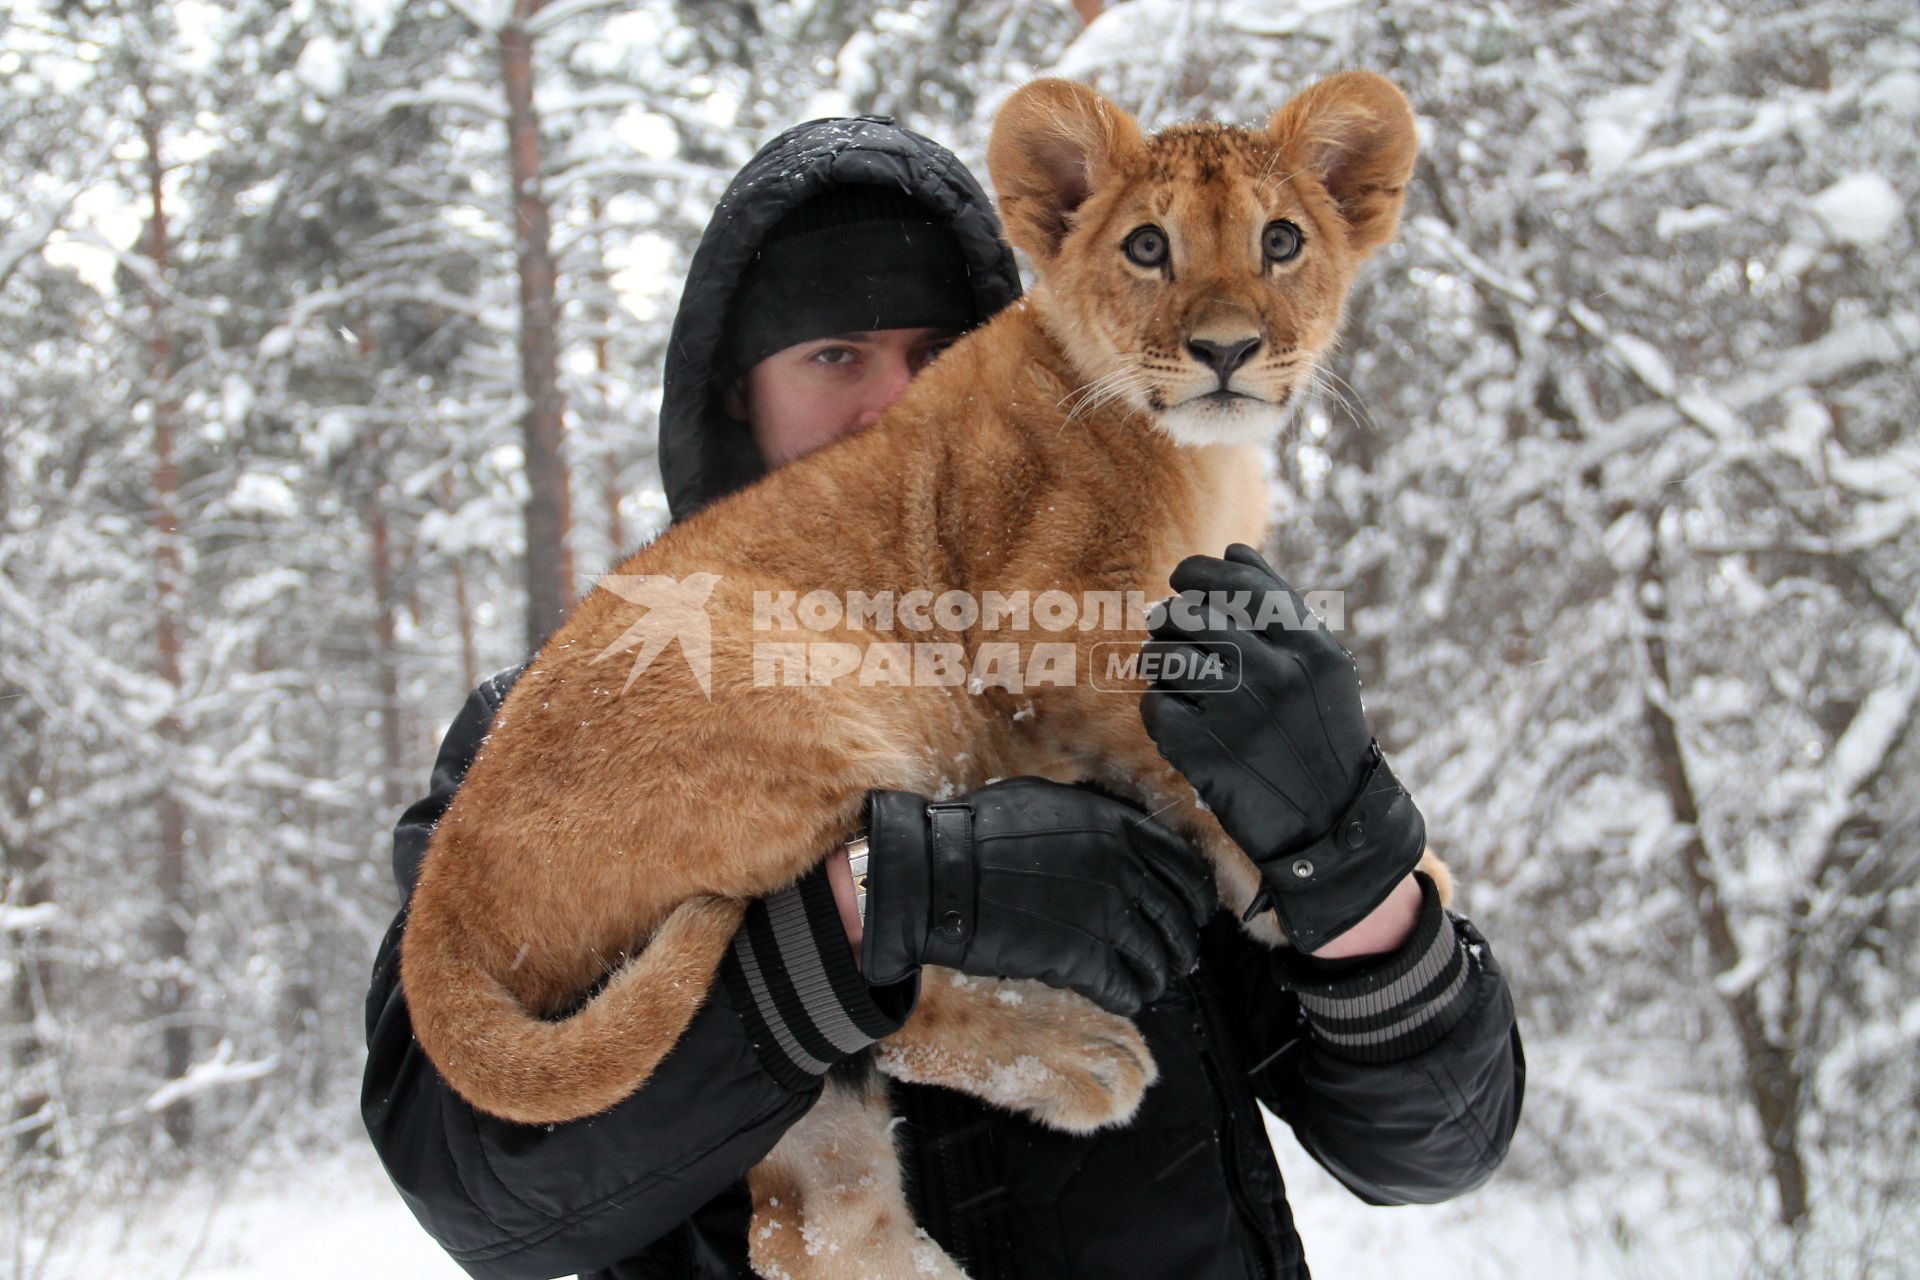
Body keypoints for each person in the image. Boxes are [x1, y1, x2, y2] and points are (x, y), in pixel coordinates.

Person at [362, 114, 1524, 1280]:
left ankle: (838, 1220)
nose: (894, 404)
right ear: (734, 395)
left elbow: (1431, 1144)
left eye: (938, 357)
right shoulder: (567, 709)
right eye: (835, 356)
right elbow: (484, 1196)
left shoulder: (1144, 637)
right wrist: (875, 900)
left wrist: (1349, 847)